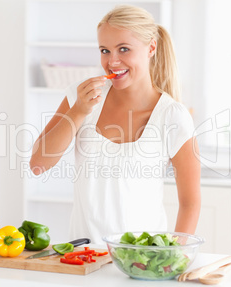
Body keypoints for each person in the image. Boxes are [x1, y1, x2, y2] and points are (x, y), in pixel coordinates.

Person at [30, 5, 201, 243]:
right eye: (105, 50)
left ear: (151, 47)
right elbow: (38, 164)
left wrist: (174, 256)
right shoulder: (79, 98)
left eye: (123, 49)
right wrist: (79, 111)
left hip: (142, 261)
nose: (112, 61)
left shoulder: (173, 116)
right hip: (83, 256)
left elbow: (190, 203)